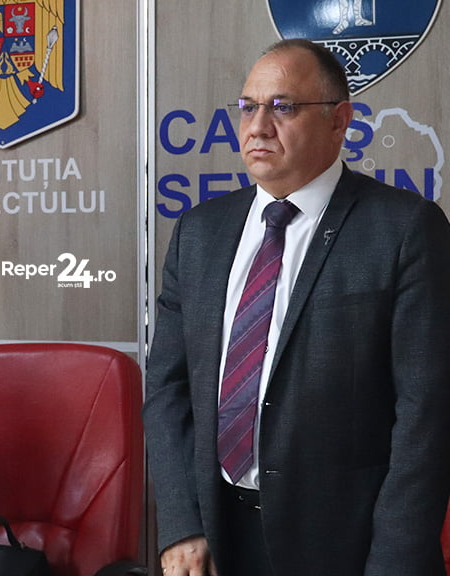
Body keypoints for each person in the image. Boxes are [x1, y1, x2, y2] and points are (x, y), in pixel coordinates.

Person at [143, 38, 450, 576]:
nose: (258, 127)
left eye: (283, 107)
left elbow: (426, 417)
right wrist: (180, 525)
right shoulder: (199, 233)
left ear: (339, 121)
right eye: (248, 107)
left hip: (349, 548)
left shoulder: (404, 229)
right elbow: (168, 390)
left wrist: (393, 563)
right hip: (218, 539)